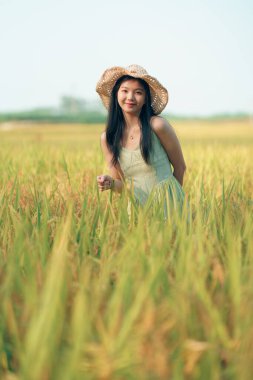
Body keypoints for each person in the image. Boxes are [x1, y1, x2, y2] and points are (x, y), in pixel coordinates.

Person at [96, 64, 186, 216]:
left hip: (169, 208)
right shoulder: (108, 138)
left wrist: (174, 203)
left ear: (145, 99)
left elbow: (180, 167)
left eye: (138, 92)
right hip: (138, 212)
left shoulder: (158, 126)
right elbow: (123, 186)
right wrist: (110, 183)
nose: (130, 97)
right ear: (116, 94)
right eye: (125, 91)